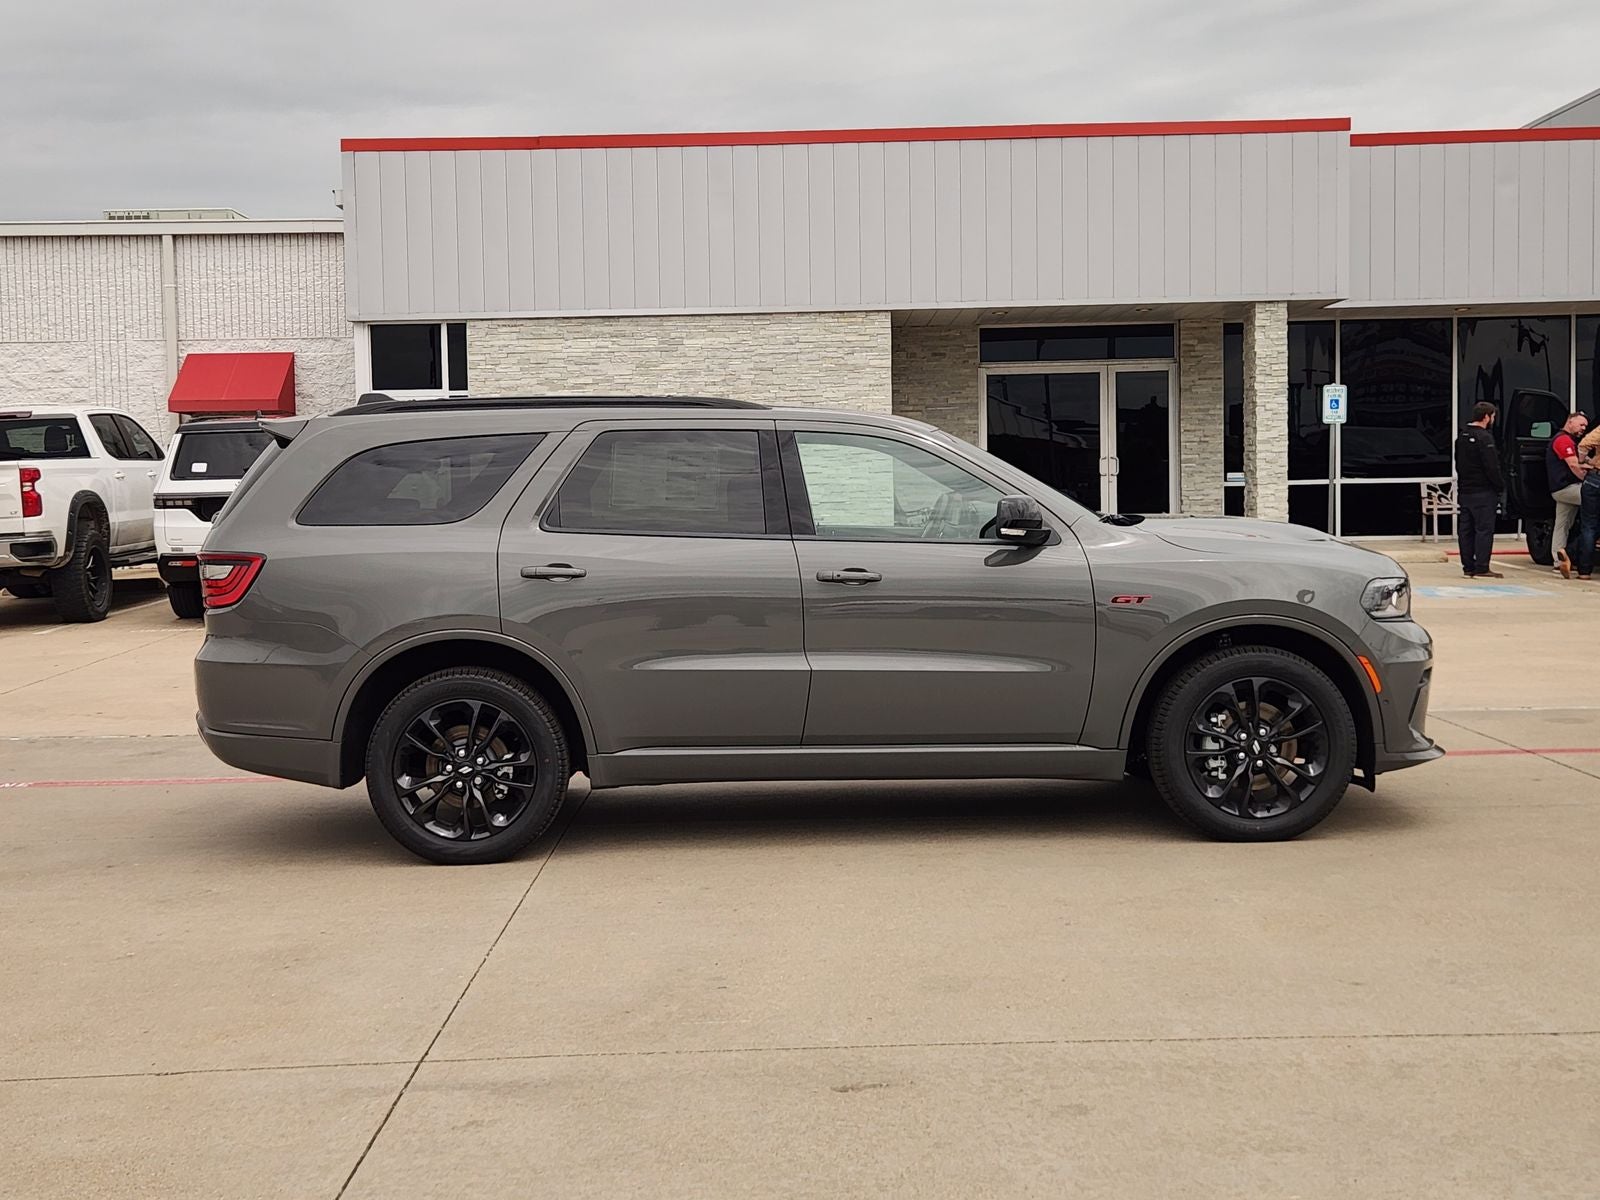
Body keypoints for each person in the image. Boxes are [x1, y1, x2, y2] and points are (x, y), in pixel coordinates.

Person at [1454, 401, 1504, 579]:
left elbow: (1458, 463)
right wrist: (1500, 486)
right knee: (1484, 530)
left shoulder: (1461, 436)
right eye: (1492, 416)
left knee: (1466, 530)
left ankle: (1468, 566)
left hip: (1465, 490)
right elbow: (1492, 467)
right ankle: (1482, 567)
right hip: (1483, 492)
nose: (1493, 420)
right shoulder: (1485, 438)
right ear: (1486, 417)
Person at [1548, 412, 1590, 578]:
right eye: (1581, 425)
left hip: (1559, 489)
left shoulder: (1566, 440)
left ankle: (1558, 560)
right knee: (1593, 506)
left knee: (1562, 524)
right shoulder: (1563, 440)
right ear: (1570, 422)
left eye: (1585, 426)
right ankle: (1572, 553)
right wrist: (1589, 481)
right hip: (1567, 488)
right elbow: (1573, 464)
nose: (1583, 429)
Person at [1575, 423, 1600, 581]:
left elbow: (1584, 444)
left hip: (1596, 478)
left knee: (1589, 525)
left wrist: (1585, 460)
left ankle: (1584, 571)